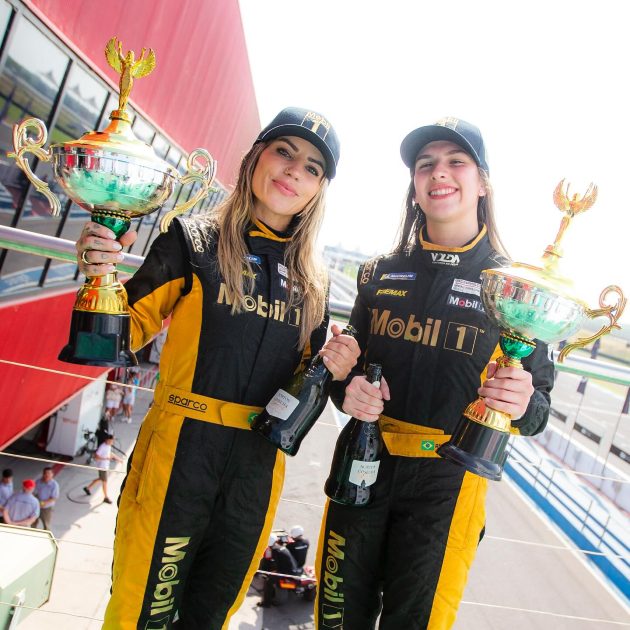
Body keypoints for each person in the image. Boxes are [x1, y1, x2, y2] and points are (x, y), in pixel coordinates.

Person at [76, 107, 360, 629]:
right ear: (256, 157)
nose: (294, 170)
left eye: (312, 167)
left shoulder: (315, 284)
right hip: (179, 454)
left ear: (319, 189)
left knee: (211, 617)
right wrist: (102, 274)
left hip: (256, 470)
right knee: (141, 612)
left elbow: (307, 388)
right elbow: (123, 333)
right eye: (284, 151)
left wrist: (334, 368)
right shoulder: (192, 240)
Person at [315, 118, 555, 630]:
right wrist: (346, 388)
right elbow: (345, 373)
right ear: (415, 184)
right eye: (426, 164)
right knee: (335, 619)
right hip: (363, 464)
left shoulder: (517, 291)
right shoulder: (378, 272)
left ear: (482, 182)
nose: (438, 173)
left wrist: (519, 402)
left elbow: (537, 413)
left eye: (455, 162)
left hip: (448, 484)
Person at [83, 433, 123, 504]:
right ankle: (106, 497)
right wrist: (105, 458)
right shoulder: (102, 447)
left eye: (112, 441)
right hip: (102, 467)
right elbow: (96, 456)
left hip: (105, 467)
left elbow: (110, 453)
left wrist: (118, 459)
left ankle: (87, 488)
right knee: (104, 482)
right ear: (107, 440)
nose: (112, 442)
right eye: (111, 441)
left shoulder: (108, 446)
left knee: (101, 479)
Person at [33, 466, 60, 531]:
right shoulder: (38, 481)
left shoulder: (54, 485)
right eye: (45, 473)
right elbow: (34, 492)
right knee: (33, 522)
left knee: (46, 524)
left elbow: (54, 498)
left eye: (49, 473)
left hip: (47, 508)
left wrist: (43, 503)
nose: (47, 475)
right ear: (43, 474)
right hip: (37, 505)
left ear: (52, 474)